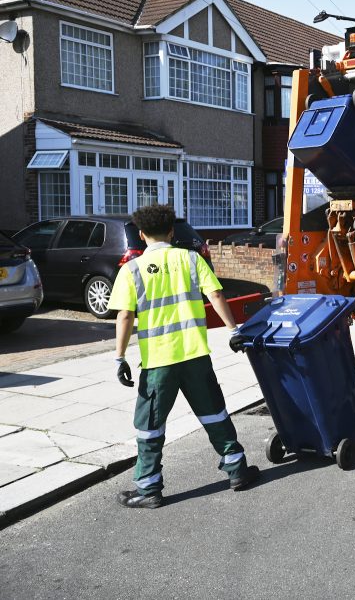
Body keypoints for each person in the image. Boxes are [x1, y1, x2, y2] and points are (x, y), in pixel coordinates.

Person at [110, 204, 258, 509]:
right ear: (171, 232)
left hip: (158, 363)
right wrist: (234, 331)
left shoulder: (131, 270)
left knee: (150, 425)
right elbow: (216, 295)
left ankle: (149, 488)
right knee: (214, 412)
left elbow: (125, 316)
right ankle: (237, 470)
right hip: (194, 355)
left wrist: (120, 357)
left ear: (141, 235)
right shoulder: (191, 259)